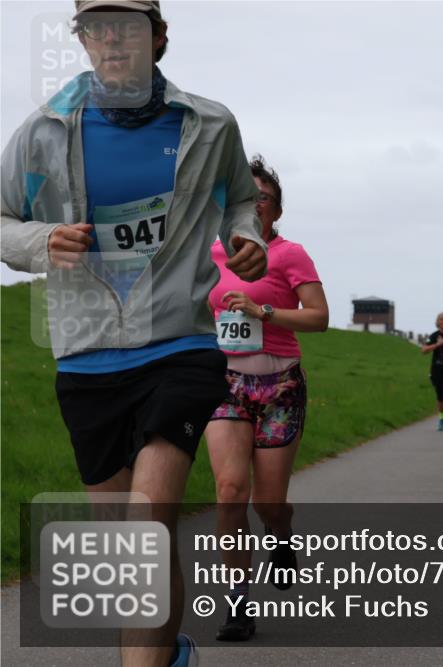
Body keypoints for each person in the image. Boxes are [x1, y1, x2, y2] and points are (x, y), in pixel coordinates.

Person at [0, 2, 267, 665]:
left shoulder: (209, 123)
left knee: (147, 525)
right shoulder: (41, 132)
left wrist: (247, 236)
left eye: (128, 25)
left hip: (182, 340)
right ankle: (169, 651)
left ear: (159, 36)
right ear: (83, 40)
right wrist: (39, 238)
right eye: (98, 26)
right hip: (87, 353)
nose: (113, 38)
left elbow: (240, 196)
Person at [206, 156, 329, 641]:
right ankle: (237, 604)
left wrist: (266, 310)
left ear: (274, 212)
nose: (250, 205)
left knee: (269, 503)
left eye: (260, 198)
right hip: (225, 386)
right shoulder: (209, 254)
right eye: (240, 195)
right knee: (230, 492)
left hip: (279, 386)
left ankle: (281, 537)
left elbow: (319, 317)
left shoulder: (289, 254)